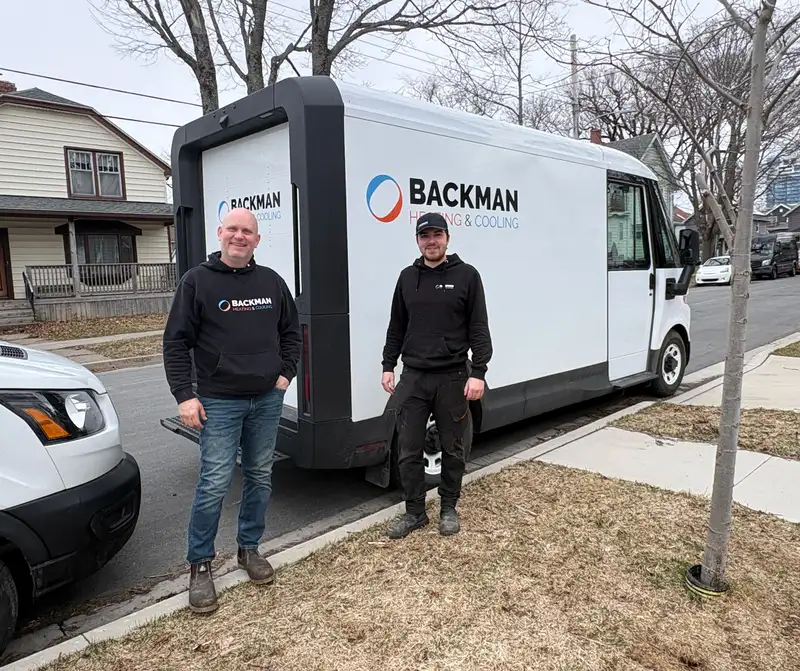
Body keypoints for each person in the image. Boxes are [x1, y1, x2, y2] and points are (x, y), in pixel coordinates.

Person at [162, 207, 301, 614]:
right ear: (221, 233)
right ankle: (200, 564)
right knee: (214, 482)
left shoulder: (272, 282)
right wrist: (184, 396)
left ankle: (249, 549)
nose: (240, 237)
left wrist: (285, 375)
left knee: (260, 475)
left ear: (257, 240)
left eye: (248, 232)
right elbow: (175, 343)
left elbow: (291, 333)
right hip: (218, 401)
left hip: (266, 399)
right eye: (234, 230)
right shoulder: (197, 282)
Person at [381, 212, 493, 539]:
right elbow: (396, 327)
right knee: (409, 449)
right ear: (418, 240)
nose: (431, 241)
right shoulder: (406, 278)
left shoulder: (467, 276)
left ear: (447, 237)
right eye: (425, 235)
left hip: (454, 376)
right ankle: (415, 512)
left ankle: (448, 508)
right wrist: (389, 365)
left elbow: (479, 329)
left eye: (437, 235)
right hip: (413, 376)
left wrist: (480, 371)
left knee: (453, 447)